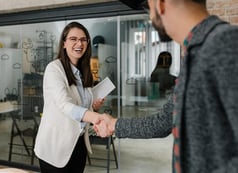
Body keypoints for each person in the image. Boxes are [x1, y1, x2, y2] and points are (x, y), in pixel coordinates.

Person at [95, 0, 238, 173]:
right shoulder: (194, 55)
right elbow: (163, 122)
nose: (150, 15)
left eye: (149, 8)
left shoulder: (226, 44)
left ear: (160, 4)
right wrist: (114, 124)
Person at [34, 21, 106, 173]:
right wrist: (95, 117)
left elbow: (80, 104)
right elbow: (64, 105)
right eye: (73, 39)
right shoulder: (54, 68)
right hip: (55, 146)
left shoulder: (83, 72)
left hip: (78, 143)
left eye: (83, 39)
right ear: (64, 43)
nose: (79, 43)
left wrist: (93, 106)